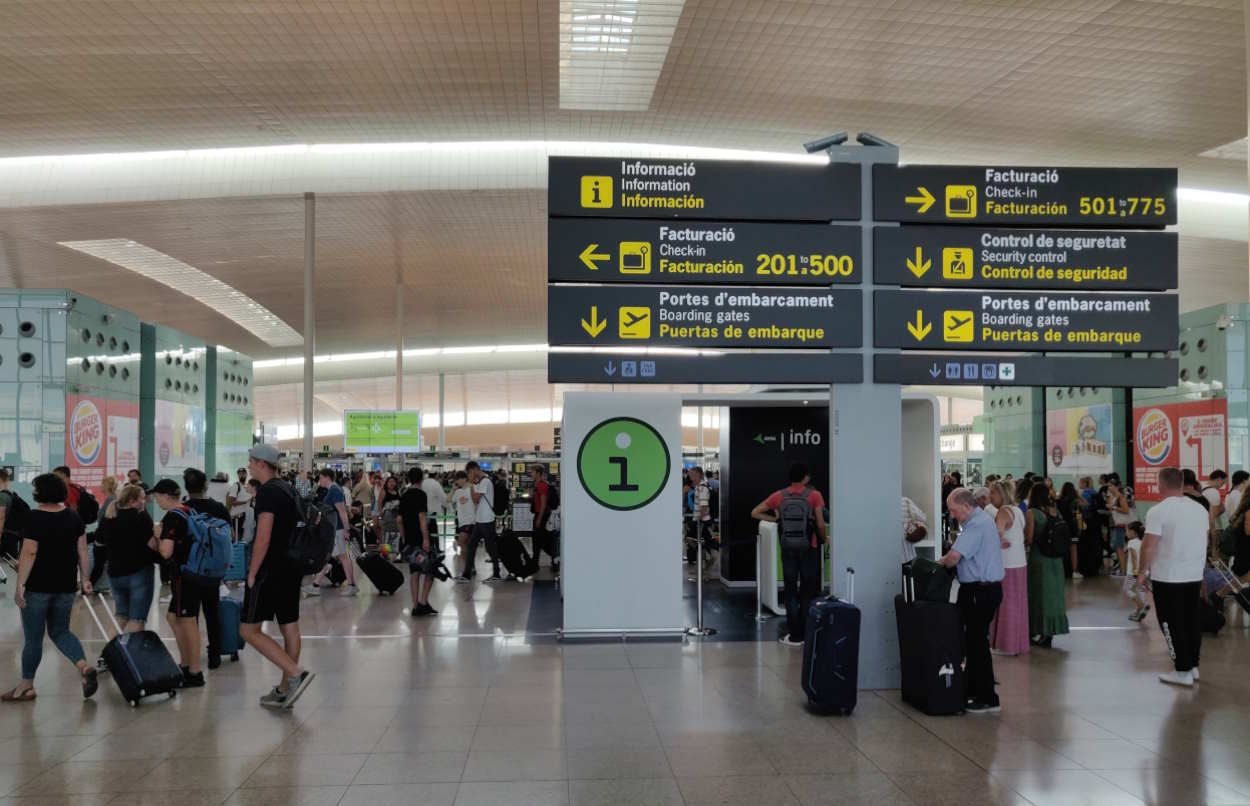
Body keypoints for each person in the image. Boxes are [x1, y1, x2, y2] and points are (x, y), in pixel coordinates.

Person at [3, 473, 98, 702]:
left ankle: (26, 686)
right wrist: (85, 578)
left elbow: (29, 552)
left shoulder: (33, 517)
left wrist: (21, 586)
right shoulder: (74, 517)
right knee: (61, 631)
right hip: (65, 587)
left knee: (33, 639)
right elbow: (83, 551)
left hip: (37, 587)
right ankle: (84, 667)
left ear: (39, 493)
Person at [239, 444, 314, 709]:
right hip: (291, 567)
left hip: (271, 568)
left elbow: (263, 535)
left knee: (248, 629)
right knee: (289, 626)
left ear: (261, 463)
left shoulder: (268, 492)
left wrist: (252, 571)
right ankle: (285, 689)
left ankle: (295, 673)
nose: (248, 465)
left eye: (250, 461)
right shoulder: (287, 488)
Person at [1140, 467, 1210, 687]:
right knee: (1191, 621)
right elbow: (1204, 539)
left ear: (1160, 485)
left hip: (1168, 577)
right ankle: (1193, 666)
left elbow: (1148, 546)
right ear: (1181, 484)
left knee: (1170, 623)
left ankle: (1182, 671)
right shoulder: (1200, 510)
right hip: (1193, 575)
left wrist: (1141, 572)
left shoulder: (1157, 511)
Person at [937, 488, 1005, 713]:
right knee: (974, 642)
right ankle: (976, 690)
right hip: (981, 590)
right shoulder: (981, 521)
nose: (953, 515)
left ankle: (987, 697)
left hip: (980, 592)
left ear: (966, 506)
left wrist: (941, 562)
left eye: (953, 510)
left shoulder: (976, 525)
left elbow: (954, 557)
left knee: (977, 643)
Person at [750, 463, 827, 648]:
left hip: (788, 548)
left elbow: (755, 512)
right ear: (806, 478)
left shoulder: (779, 495)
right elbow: (821, 523)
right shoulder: (814, 495)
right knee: (808, 591)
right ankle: (808, 632)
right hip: (810, 547)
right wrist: (823, 539)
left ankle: (794, 636)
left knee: (791, 591)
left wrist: (775, 519)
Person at [93, 484, 157, 632]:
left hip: (115, 573)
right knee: (137, 618)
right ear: (131, 501)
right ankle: (134, 654)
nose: (144, 502)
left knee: (121, 616)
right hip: (139, 572)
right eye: (141, 499)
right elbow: (152, 545)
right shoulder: (141, 517)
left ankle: (111, 653)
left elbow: (99, 540)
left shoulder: (109, 517)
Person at [1024, 484, 1069, 648]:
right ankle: (1050, 631)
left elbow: (1029, 538)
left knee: (1038, 595)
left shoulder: (1032, 513)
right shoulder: (1054, 510)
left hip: (1039, 559)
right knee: (1053, 596)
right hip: (1055, 561)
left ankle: (1037, 630)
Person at [988, 481, 1029, 656]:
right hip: (1019, 563)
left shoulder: (1003, 512)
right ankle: (1016, 643)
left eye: (993, 494)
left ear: (1002, 494)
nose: (990, 497)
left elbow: (993, 537)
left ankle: (1004, 645)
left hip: (1006, 565)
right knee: (1017, 604)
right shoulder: (1018, 511)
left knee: (1004, 603)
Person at [305, 468, 358, 596]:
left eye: (320, 478)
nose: (319, 481)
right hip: (334, 528)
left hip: (338, 529)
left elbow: (342, 511)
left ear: (327, 477)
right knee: (329, 556)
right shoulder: (334, 490)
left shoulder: (334, 490)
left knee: (342, 557)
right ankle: (316, 584)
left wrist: (347, 529)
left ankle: (351, 585)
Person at [398, 467, 435, 615]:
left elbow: (399, 519)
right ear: (421, 479)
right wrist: (426, 539)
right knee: (431, 570)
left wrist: (403, 537)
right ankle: (423, 602)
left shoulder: (404, 495)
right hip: (420, 539)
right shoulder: (421, 495)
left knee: (414, 572)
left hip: (409, 540)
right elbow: (422, 518)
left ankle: (415, 606)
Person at [463, 461, 501, 582]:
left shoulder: (485, 481)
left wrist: (470, 484)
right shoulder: (480, 482)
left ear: (474, 470)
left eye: (469, 472)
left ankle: (496, 573)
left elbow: (475, 499)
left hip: (486, 520)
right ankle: (466, 574)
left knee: (490, 547)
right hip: (480, 520)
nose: (469, 475)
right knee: (471, 545)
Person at [89, 475, 119, 587]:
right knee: (100, 564)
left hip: (103, 537)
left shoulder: (111, 500)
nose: (100, 486)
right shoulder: (111, 499)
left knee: (99, 565)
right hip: (104, 536)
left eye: (102, 484)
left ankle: (89, 586)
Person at [528, 464, 558, 573]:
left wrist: (539, 519)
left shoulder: (542, 486)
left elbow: (543, 504)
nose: (531, 473)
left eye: (533, 471)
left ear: (538, 473)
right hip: (540, 515)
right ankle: (537, 563)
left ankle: (555, 559)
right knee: (539, 541)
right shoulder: (537, 485)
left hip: (541, 515)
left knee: (540, 541)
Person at [449, 471, 475, 578]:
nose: (457, 482)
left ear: (463, 479)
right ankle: (470, 567)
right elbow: (448, 500)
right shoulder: (458, 491)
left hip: (471, 521)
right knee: (467, 545)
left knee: (461, 542)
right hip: (462, 521)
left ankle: (467, 568)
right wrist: (453, 490)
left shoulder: (472, 489)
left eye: (458, 480)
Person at [1123, 522, 1149, 622]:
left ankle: (1142, 606)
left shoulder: (1132, 542)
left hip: (1133, 572)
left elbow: (1134, 557)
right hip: (1144, 571)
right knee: (1141, 590)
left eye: (1127, 531)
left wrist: (1135, 570)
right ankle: (1138, 612)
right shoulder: (1144, 542)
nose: (1126, 533)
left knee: (1127, 589)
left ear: (1133, 532)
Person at [1057, 482, 1083, 580]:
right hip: (1072, 527)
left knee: (1061, 548)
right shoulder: (1074, 501)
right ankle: (1075, 571)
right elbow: (1084, 506)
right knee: (1073, 549)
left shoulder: (1059, 500)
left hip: (1061, 526)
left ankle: (1061, 570)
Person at [420, 467, 447, 551]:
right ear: (436, 475)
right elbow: (443, 497)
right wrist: (447, 506)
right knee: (434, 530)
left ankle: (426, 548)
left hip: (422, 511)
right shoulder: (436, 483)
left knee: (424, 529)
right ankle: (436, 548)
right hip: (432, 511)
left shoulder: (422, 482)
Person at [900, 495, 927, 564]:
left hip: (885, 554)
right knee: (906, 572)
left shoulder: (879, 503)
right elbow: (923, 518)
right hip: (906, 553)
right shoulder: (905, 501)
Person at [227, 467, 252, 540]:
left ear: (246, 474)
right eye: (240, 474)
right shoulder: (236, 486)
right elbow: (232, 502)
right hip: (236, 517)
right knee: (236, 538)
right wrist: (245, 502)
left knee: (242, 538)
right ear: (238, 475)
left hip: (244, 517)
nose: (242, 475)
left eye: (243, 473)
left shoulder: (247, 486)